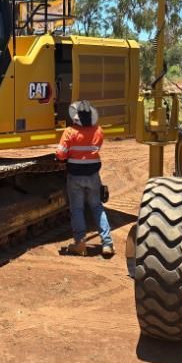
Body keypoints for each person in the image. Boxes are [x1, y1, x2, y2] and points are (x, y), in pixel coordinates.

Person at [55, 100, 115, 258]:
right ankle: (107, 243)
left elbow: (60, 154)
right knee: (97, 207)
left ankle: (80, 243)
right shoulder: (98, 131)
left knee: (77, 209)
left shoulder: (69, 132)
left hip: (75, 177)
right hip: (93, 176)